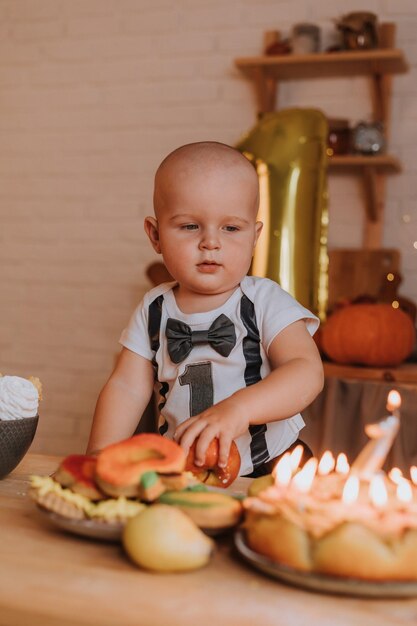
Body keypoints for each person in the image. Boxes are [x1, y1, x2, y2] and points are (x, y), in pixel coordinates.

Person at [87, 141, 324, 477]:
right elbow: (126, 387)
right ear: (155, 235)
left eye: (231, 228)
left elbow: (306, 371)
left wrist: (239, 409)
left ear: (254, 237)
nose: (210, 242)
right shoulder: (154, 308)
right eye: (190, 226)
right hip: (184, 467)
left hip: (271, 465)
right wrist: (100, 456)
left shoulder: (265, 300)